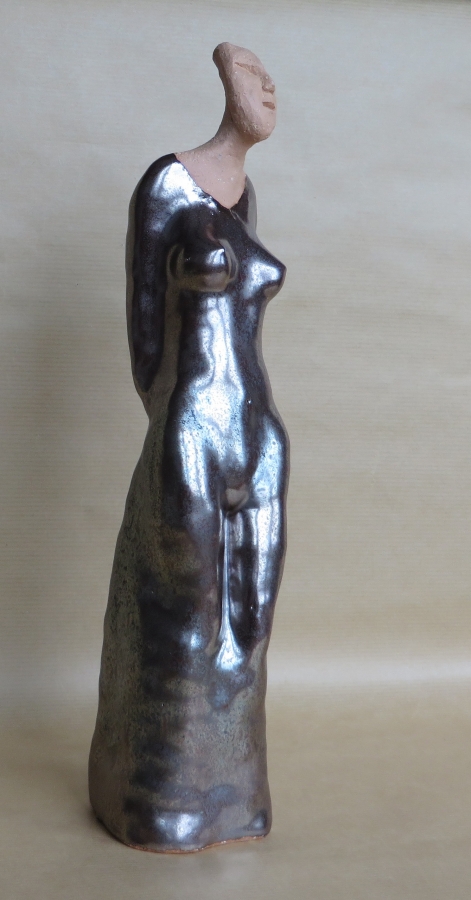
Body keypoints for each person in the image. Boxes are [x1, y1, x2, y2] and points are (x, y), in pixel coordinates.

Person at [89, 42, 289, 853]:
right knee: (186, 615)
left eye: (270, 82)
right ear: (224, 85)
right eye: (253, 78)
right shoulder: (166, 184)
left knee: (249, 627)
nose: (268, 92)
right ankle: (157, 798)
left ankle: (233, 796)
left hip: (256, 426)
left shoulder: (244, 195)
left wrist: (243, 424)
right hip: (192, 427)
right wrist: (175, 418)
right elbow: (145, 329)